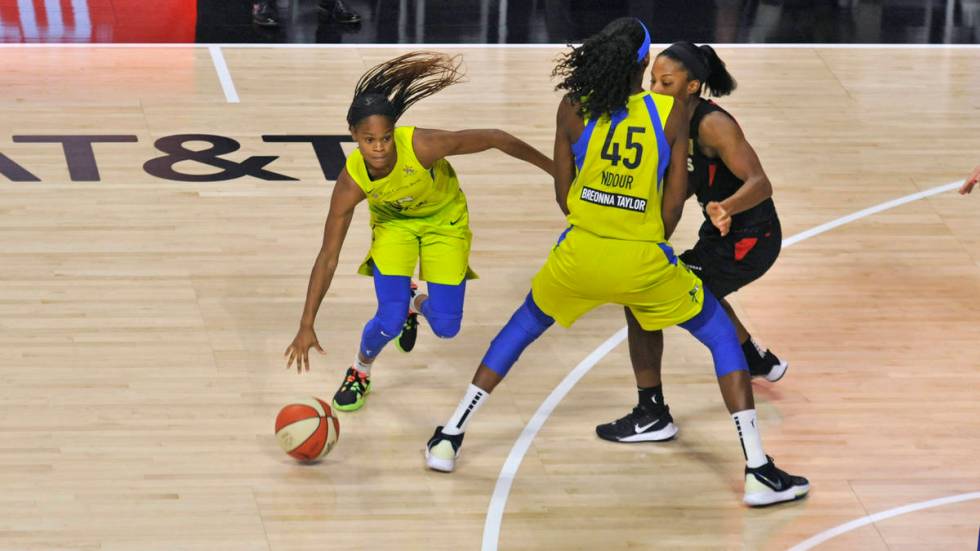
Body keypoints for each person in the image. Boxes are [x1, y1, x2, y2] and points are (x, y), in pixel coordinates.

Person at [424, 18, 809, 507]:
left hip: (578, 254)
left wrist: (597, 213)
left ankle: (450, 435)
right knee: (719, 338)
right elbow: (671, 209)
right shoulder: (669, 116)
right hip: (642, 260)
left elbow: (564, 197)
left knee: (517, 332)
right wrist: (644, 235)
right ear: (643, 65)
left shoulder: (572, 107)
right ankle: (757, 469)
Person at [283, 52, 553, 413]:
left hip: (445, 220)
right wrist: (306, 323)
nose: (379, 148)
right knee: (389, 320)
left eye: (385, 138)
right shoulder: (351, 182)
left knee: (446, 327)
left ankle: (416, 302)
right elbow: (328, 257)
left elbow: (495, 137)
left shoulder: (422, 146)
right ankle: (360, 370)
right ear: (353, 136)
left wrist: (555, 170)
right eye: (368, 140)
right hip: (394, 226)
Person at [596, 41, 788, 446]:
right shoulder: (663, 120)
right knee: (702, 290)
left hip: (750, 238)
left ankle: (653, 413)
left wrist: (726, 207)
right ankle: (757, 360)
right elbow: (679, 185)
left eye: (666, 82)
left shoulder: (713, 124)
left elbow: (760, 183)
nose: (655, 89)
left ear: (693, 87)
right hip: (718, 237)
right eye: (652, 81)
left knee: (649, 299)